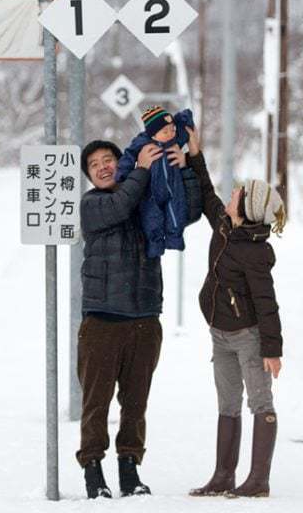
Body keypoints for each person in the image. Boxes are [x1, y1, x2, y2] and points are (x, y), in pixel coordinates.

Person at [76, 138, 202, 499]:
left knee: (135, 403)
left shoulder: (144, 197)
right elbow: (120, 205)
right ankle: (92, 471)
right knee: (96, 402)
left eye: (108, 160)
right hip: (102, 320)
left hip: (145, 319)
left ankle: (130, 469)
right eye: (94, 164)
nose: (102, 167)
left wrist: (185, 167)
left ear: (121, 163)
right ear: (88, 175)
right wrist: (143, 170)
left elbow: (187, 211)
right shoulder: (93, 204)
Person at [184, 127, 286, 499]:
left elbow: (267, 303)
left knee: (260, 401)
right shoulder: (225, 226)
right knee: (226, 403)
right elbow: (208, 192)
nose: (231, 195)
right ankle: (223, 476)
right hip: (219, 332)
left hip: (248, 336)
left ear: (246, 209)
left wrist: (271, 350)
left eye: (238, 194)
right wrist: (196, 154)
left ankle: (258, 480)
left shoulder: (256, 252)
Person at [115, 106, 195, 258]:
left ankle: (174, 239)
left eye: (172, 129)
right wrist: (122, 173)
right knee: (152, 218)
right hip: (150, 192)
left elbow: (184, 132)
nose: (170, 133)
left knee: (177, 214)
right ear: (153, 133)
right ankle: (155, 245)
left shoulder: (174, 142)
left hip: (174, 189)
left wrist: (184, 117)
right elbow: (128, 156)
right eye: (165, 131)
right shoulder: (142, 143)